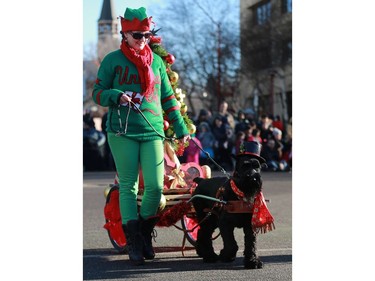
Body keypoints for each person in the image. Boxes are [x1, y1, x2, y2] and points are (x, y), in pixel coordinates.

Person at [92, 7, 190, 265]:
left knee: (156, 189)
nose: (143, 39)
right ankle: (134, 241)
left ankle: (144, 234)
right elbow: (98, 93)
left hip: (153, 130)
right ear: (125, 33)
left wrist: (181, 129)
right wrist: (115, 95)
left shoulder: (157, 62)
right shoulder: (113, 60)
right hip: (122, 131)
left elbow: (168, 98)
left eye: (147, 34)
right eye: (137, 34)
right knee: (129, 186)